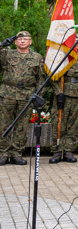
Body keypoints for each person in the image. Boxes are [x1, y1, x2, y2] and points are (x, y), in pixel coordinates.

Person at [0, 32, 45, 166]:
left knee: (22, 126)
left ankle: (16, 153)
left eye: (25, 39)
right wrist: (2, 45)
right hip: (8, 92)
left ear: (30, 42)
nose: (23, 41)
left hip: (27, 94)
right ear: (15, 42)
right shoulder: (7, 54)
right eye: (20, 39)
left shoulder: (37, 57)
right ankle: (3, 153)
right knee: (4, 124)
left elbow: (41, 79)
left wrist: (39, 97)